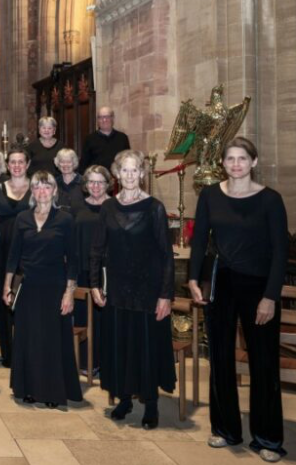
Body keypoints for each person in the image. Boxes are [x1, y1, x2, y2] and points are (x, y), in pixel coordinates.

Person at [188, 137, 288, 462]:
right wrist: (192, 278)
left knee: (263, 361)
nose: (235, 164)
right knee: (219, 358)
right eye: (230, 159)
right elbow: (200, 239)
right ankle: (226, 429)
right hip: (222, 282)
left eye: (242, 159)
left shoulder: (270, 200)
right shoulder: (210, 196)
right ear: (223, 163)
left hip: (258, 286)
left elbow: (280, 253)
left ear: (253, 162)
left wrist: (270, 297)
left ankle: (268, 437)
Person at [90, 150, 175, 430]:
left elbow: (166, 255)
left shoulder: (155, 208)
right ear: (116, 174)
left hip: (148, 292)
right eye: (123, 170)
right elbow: (97, 249)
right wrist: (93, 284)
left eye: (134, 170)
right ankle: (124, 399)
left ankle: (150, 403)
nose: (128, 175)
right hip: (116, 290)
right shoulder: (108, 208)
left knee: (146, 347)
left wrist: (166, 295)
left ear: (141, 173)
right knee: (121, 345)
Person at [2, 171, 81, 408]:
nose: (42, 192)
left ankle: (52, 392)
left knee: (51, 340)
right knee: (28, 339)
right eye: (37, 187)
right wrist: (7, 285)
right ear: (32, 191)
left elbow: (73, 260)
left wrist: (69, 293)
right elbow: (13, 256)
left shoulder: (65, 219)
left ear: (54, 191)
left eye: (47, 187)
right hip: (29, 287)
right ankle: (28, 389)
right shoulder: (23, 218)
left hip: (55, 287)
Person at [0, 146, 32, 368]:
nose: (16, 165)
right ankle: (8, 353)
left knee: (26, 301)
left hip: (30, 249)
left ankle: (26, 352)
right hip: (3, 248)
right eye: (12, 162)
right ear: (8, 164)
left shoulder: (37, 187)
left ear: (27, 164)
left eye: (20, 161)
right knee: (5, 300)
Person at [72, 165, 111, 375]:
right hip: (81, 269)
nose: (96, 186)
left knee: (103, 318)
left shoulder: (114, 206)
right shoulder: (77, 206)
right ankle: (85, 363)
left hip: (105, 271)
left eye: (100, 182)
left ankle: (105, 362)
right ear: (86, 185)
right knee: (82, 317)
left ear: (107, 184)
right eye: (91, 182)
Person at [79, 107, 131, 172]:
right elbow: (83, 164)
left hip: (117, 179)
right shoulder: (89, 139)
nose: (104, 120)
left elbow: (128, 160)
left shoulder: (123, 138)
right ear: (97, 120)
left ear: (112, 118)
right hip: (97, 179)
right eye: (100, 117)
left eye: (107, 117)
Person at [54, 148, 85, 213]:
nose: (65, 165)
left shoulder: (84, 182)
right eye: (62, 162)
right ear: (58, 163)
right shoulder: (53, 183)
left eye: (69, 162)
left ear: (74, 163)